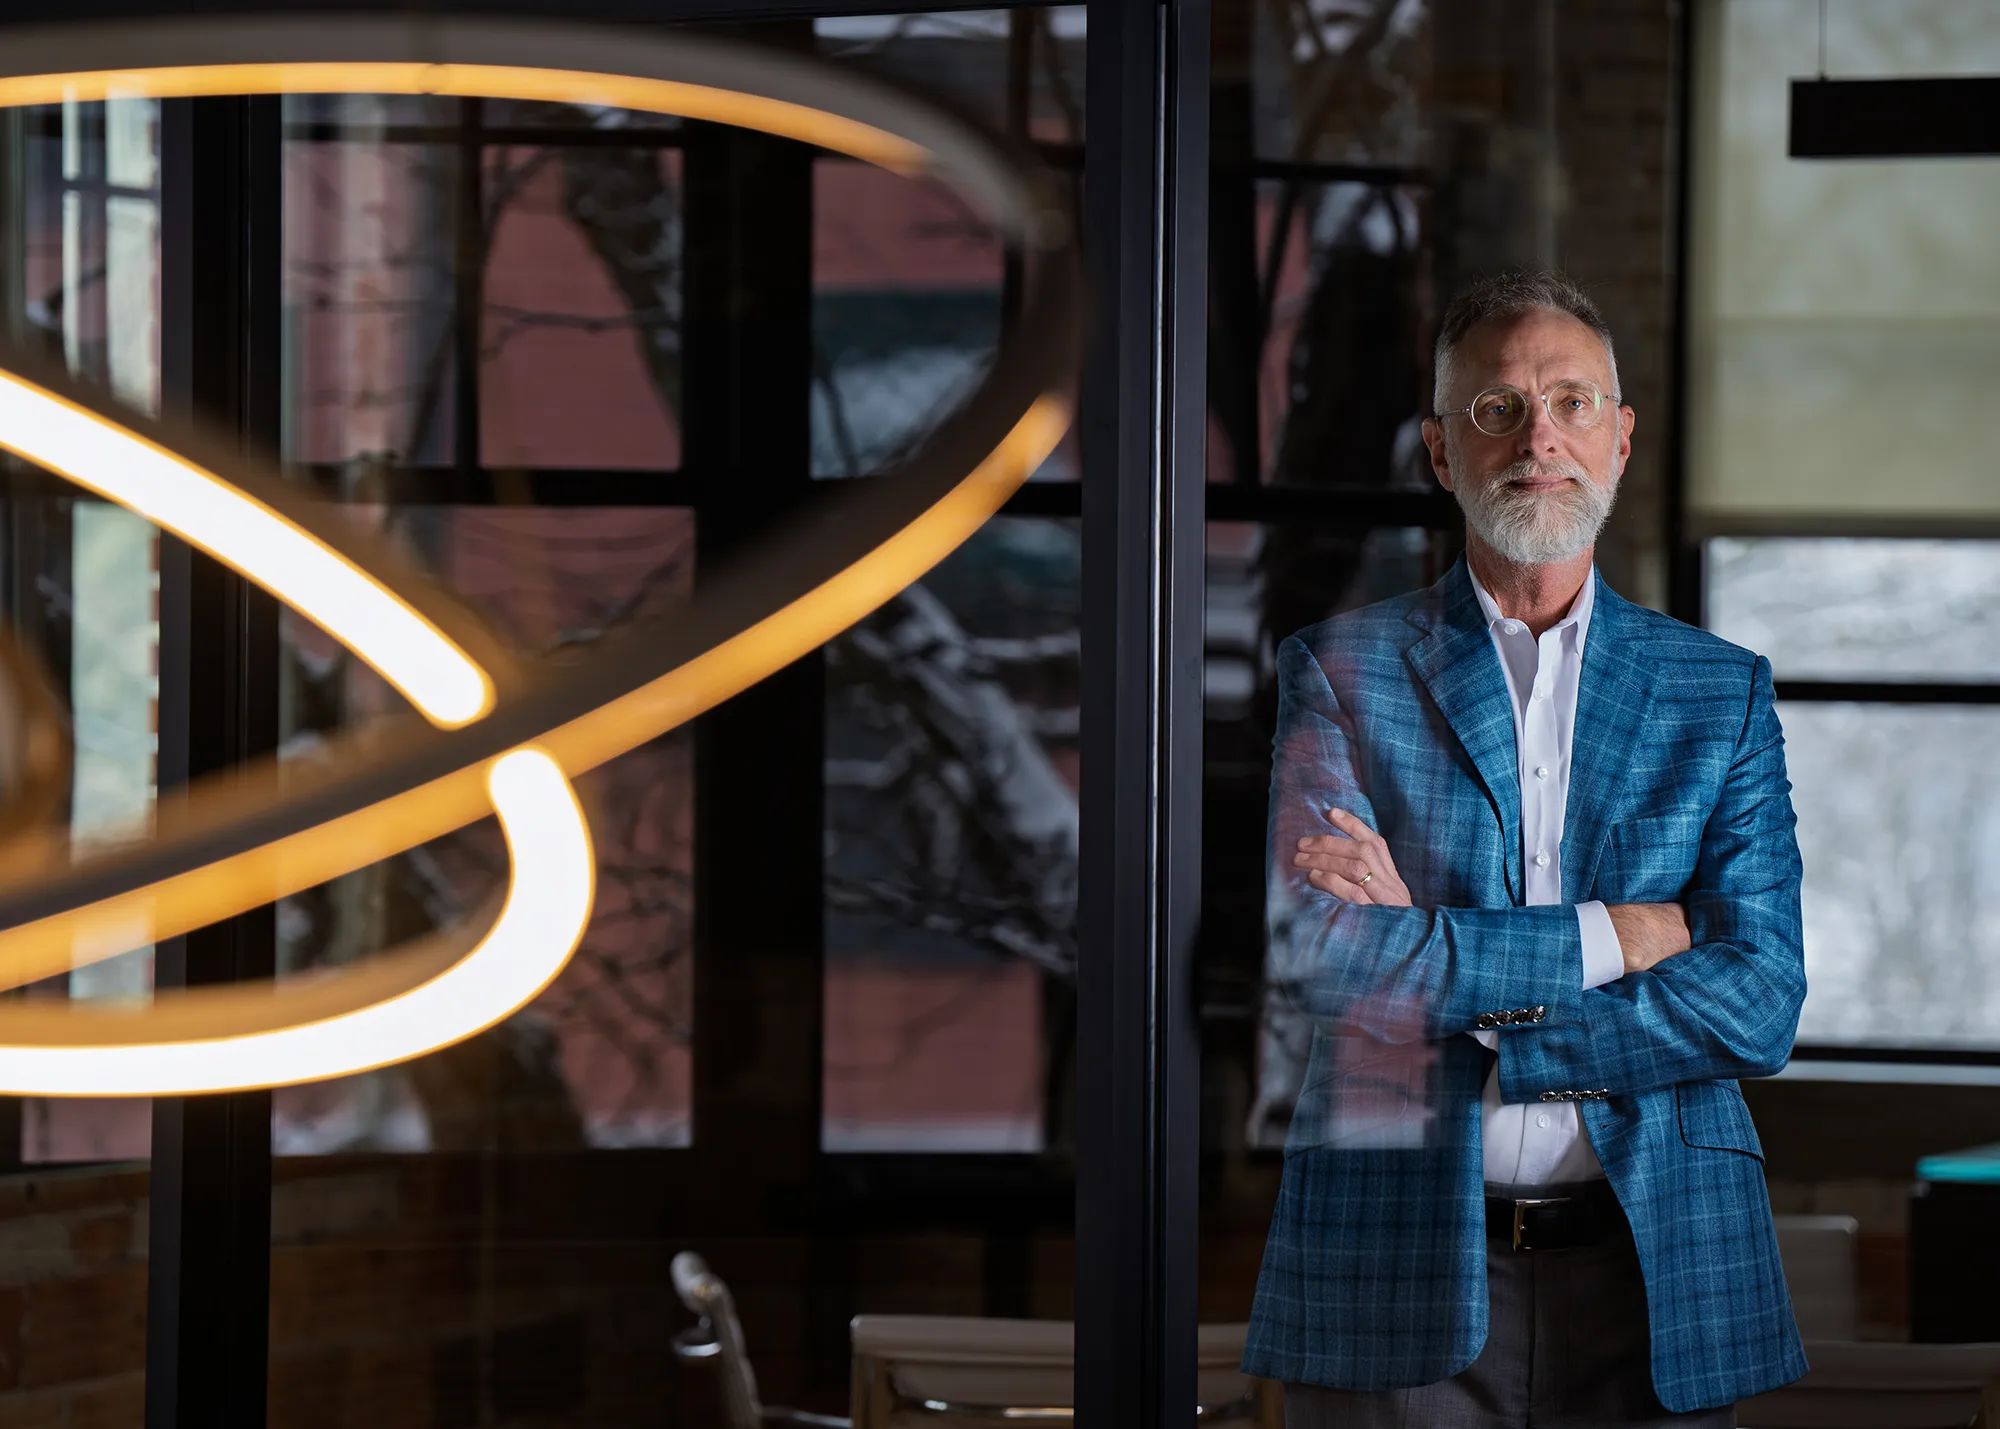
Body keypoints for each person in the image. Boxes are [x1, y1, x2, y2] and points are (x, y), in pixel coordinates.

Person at [1240, 271, 1807, 1427]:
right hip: (1388, 1258)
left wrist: (1479, 1008)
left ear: (1619, 435)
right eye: (1494, 408)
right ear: (1441, 452)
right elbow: (1330, 963)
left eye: (1569, 401)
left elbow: (1757, 999)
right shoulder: (1339, 672)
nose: (1536, 436)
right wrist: (1621, 933)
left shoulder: (1719, 693)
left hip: (1660, 1269)